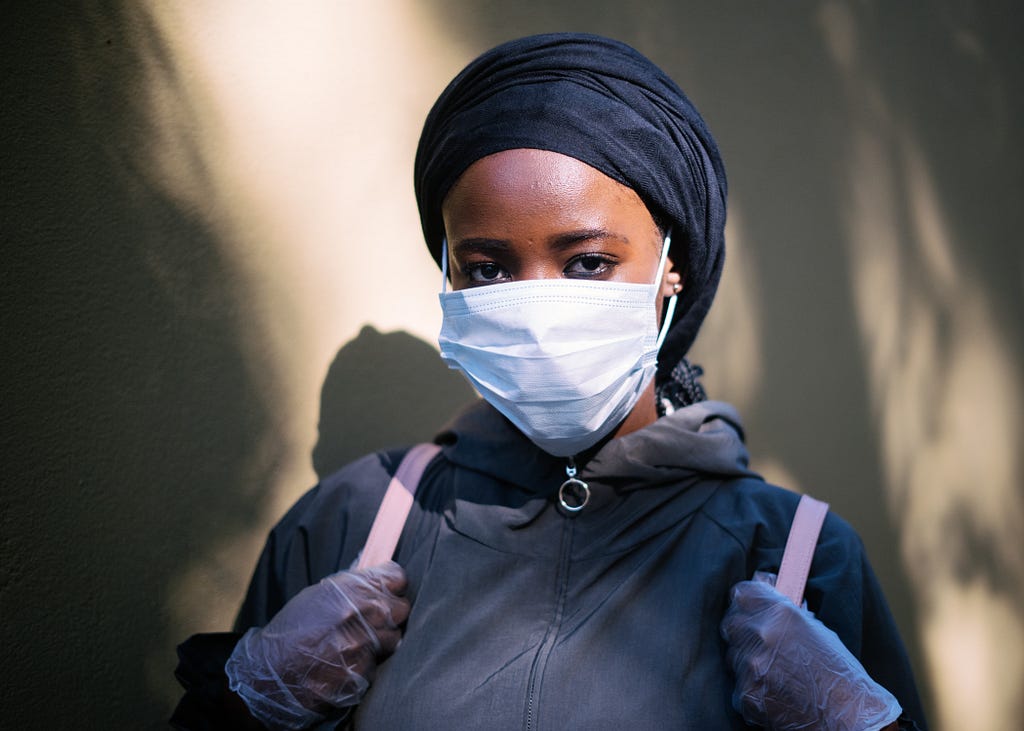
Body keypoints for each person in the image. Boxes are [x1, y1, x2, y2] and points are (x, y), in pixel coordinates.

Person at [172, 33, 928, 730]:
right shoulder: (350, 523)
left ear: (673, 266)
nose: (534, 308)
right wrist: (246, 703)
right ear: (449, 273)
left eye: (587, 261)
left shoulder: (795, 554)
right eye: (489, 267)